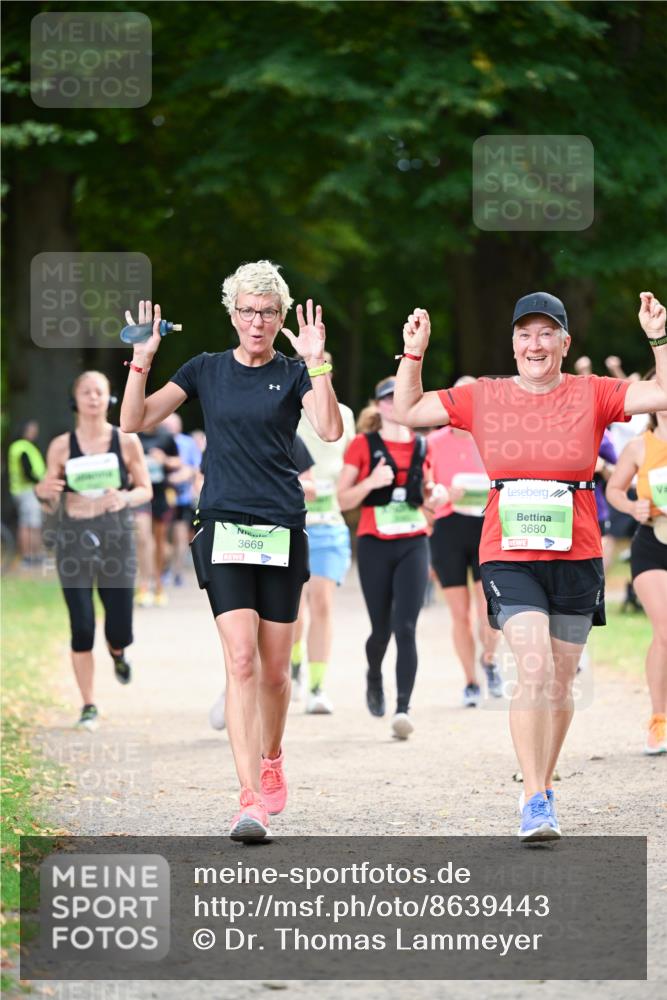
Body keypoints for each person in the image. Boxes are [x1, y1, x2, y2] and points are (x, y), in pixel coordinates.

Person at [393, 290, 667, 842]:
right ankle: (535, 799)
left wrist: (659, 338)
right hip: (508, 552)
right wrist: (413, 355)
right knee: (535, 668)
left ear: (565, 343)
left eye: (547, 334)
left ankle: (540, 781)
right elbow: (410, 410)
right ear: (512, 342)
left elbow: (662, 393)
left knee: (561, 683)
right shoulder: (484, 396)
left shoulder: (595, 393)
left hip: (579, 552)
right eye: (525, 334)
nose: (534, 344)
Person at [120, 261, 343, 841]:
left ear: (281, 316)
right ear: (232, 313)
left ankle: (271, 757)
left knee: (274, 671)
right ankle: (249, 800)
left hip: (280, 528)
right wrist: (142, 360)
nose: (257, 321)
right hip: (221, 525)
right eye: (247, 310)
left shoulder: (295, 373)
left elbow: (330, 427)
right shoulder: (204, 370)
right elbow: (133, 419)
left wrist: (318, 361)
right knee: (240, 659)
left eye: (268, 311)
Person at [34, 372, 152, 731]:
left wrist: (125, 496)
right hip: (74, 538)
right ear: (75, 399)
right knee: (82, 625)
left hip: (116, 537)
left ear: (109, 398)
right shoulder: (60, 446)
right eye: (85, 391)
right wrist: (44, 491)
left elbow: (145, 489)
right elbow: (47, 498)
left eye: (99, 391)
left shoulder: (125, 440)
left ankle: (118, 652)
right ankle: (88, 704)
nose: (93, 397)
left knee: (119, 628)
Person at [338, 376, 432, 741]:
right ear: (377, 406)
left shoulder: (423, 446)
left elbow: (426, 496)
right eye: (387, 399)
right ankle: (374, 675)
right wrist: (371, 482)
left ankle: (403, 708)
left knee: (406, 627)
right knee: (381, 630)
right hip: (375, 543)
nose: (394, 404)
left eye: (400, 398)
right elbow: (342, 499)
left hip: (413, 542)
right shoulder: (362, 445)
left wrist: (435, 497)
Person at [208, 433, 316, 731]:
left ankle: (284, 673)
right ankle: (233, 688)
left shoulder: (290, 438)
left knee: (275, 641)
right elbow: (202, 483)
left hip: (279, 537)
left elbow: (311, 486)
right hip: (234, 536)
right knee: (243, 640)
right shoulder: (227, 433)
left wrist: (275, 483)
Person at [425, 378, 501, 707]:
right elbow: (424, 488)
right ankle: (470, 681)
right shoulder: (433, 442)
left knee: (488, 609)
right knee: (459, 614)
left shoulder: (495, 438)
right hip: (447, 529)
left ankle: (489, 661)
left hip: (486, 527)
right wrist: (441, 493)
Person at [291, 351, 356, 714]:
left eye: (322, 368)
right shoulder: (286, 413)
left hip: (329, 524)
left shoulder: (344, 416)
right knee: (294, 608)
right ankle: (295, 665)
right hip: (290, 525)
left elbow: (352, 467)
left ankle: (317, 686)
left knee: (323, 603)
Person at [606, 379, 667, 755]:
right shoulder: (638, 447)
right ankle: (659, 721)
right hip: (652, 546)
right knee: (665, 630)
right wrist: (633, 507)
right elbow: (614, 490)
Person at [134, 421, 181, 607]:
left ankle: (159, 586)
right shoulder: (133, 436)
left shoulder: (166, 436)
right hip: (140, 494)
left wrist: (165, 460)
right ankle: (143, 586)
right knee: (143, 537)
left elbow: (178, 461)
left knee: (160, 542)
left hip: (160, 494)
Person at [161, 413, 202, 586]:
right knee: (163, 538)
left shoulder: (188, 443)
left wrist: (185, 475)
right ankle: (164, 569)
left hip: (183, 498)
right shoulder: (159, 441)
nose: (170, 428)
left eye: (173, 424)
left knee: (180, 536)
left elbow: (196, 467)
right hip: (162, 496)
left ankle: (177, 571)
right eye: (167, 424)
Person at [8, 420, 46, 565]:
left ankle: (32, 555)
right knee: (31, 524)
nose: (34, 432)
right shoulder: (22, 447)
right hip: (27, 490)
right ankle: (31, 556)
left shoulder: (20, 446)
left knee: (27, 523)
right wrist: (40, 483)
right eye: (32, 429)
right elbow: (27, 471)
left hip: (21, 490)